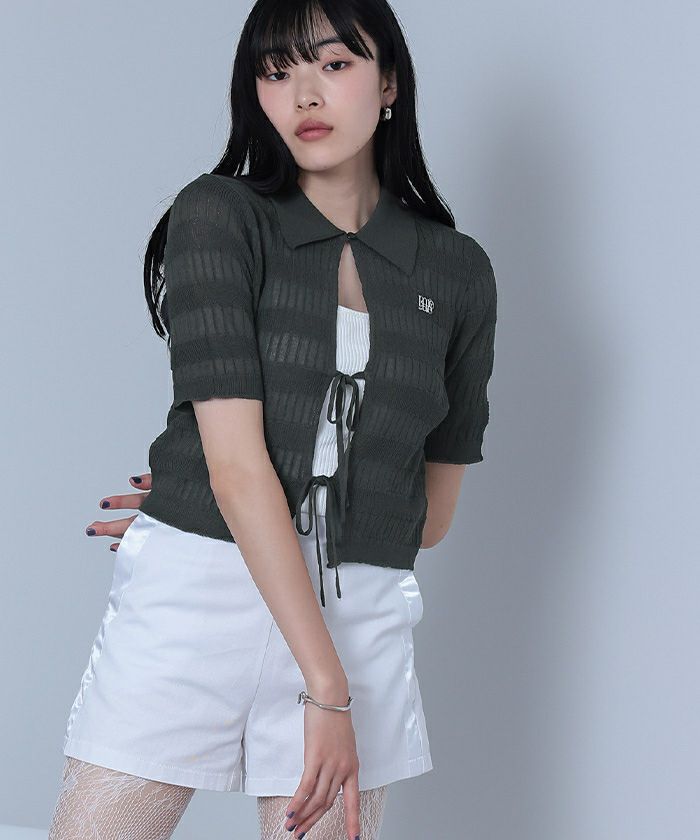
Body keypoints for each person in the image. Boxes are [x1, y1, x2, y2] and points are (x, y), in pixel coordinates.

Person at [48, 1, 497, 838]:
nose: (304, 95)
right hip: (199, 599)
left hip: (359, 616)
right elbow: (236, 468)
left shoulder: (457, 271)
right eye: (276, 71)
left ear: (389, 83)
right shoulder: (221, 215)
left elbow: (429, 520)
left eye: (334, 64)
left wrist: (255, 493)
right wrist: (214, 495)